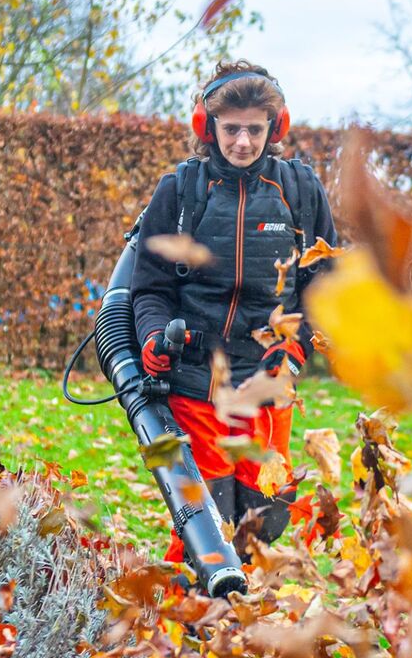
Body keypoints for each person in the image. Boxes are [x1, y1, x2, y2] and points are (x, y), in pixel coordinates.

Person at [131, 61, 337, 567]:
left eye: (254, 129)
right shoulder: (181, 191)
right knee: (206, 522)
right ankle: (189, 609)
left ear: (275, 128)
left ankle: (242, 608)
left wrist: (297, 347)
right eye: (231, 129)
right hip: (196, 383)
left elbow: (323, 287)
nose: (243, 142)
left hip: (268, 382)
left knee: (266, 517)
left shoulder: (300, 191)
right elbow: (149, 288)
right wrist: (154, 336)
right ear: (208, 127)